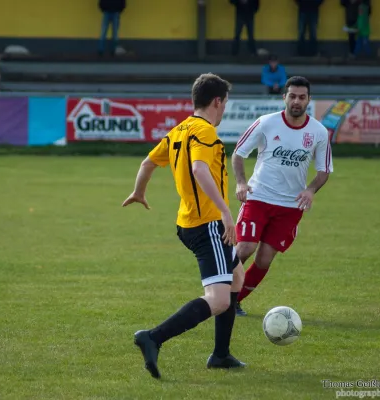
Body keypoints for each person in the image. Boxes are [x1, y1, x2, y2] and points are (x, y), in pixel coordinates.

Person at [122, 73, 245, 379]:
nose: (225, 108)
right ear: (217, 101)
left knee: (237, 279)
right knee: (218, 299)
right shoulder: (205, 132)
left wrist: (139, 191)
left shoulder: (178, 131)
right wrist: (225, 212)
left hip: (188, 221)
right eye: (225, 103)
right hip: (207, 225)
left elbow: (147, 163)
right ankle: (152, 337)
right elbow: (199, 169)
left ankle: (220, 355)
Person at [231, 76, 333, 317]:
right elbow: (238, 154)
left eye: (302, 97)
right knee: (245, 247)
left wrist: (309, 189)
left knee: (264, 259)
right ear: (284, 97)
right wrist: (241, 183)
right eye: (293, 96)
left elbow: (324, 170)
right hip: (258, 197)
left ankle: (234, 302)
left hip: (289, 206)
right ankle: (218, 295)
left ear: (308, 100)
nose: (297, 101)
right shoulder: (265, 123)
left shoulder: (318, 132)